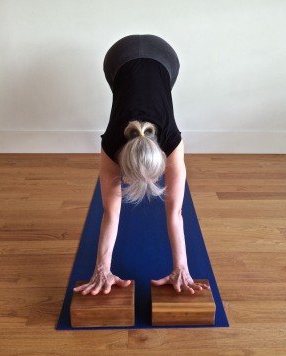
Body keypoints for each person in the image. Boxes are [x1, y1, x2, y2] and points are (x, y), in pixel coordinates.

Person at [73, 34, 210, 296]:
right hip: (117, 58)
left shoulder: (171, 140)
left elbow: (176, 213)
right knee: (124, 89)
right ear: (121, 162)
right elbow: (110, 213)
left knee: (156, 89)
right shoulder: (111, 144)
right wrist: (102, 268)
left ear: (162, 155)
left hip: (165, 58)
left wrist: (181, 267)